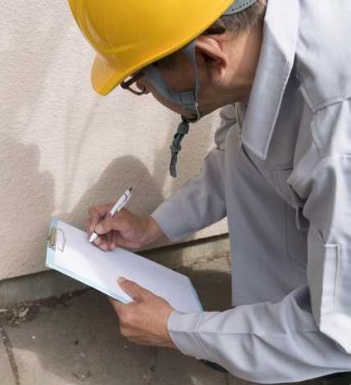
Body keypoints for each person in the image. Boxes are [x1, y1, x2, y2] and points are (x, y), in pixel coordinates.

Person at [70, 0, 351, 383]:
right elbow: (242, 157)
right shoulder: (257, 44)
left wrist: (178, 331)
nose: (144, 90)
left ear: (207, 56)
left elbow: (337, 335)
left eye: (139, 81)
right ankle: (264, 343)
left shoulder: (335, 137)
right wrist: (154, 226)